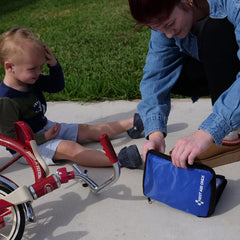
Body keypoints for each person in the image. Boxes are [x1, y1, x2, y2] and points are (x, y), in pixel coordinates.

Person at [0, 27, 144, 169]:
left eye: (41, 66)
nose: (39, 72)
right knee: (69, 148)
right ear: (10, 67)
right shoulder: (6, 100)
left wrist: (54, 65)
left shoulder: (30, 79)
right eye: (33, 68)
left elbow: (56, 86)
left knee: (84, 130)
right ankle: (120, 159)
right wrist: (43, 138)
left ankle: (132, 123)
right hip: (27, 149)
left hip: (45, 128)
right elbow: (12, 138)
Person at [127, 0, 240, 168]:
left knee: (215, 31)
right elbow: (156, 74)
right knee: (173, 74)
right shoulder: (167, 16)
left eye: (170, 24)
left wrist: (208, 132)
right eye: (159, 29)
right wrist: (155, 135)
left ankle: (232, 132)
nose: (168, 34)